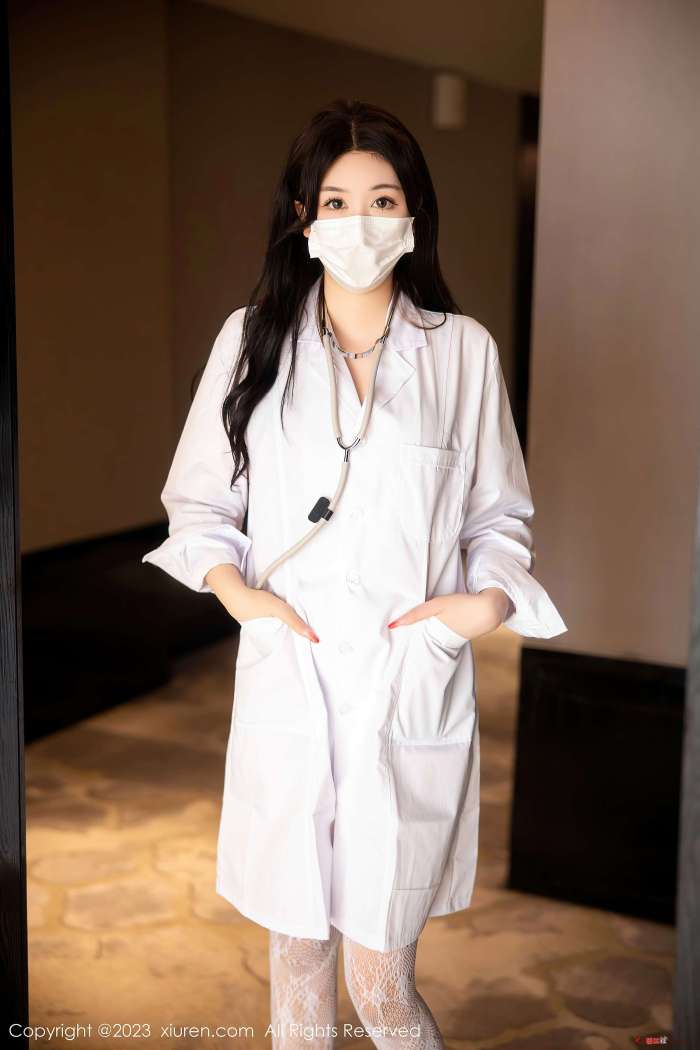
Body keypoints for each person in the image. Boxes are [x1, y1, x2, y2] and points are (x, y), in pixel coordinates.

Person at [142, 98, 567, 1049]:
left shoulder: (460, 352)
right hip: (290, 674)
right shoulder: (252, 340)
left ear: (412, 213)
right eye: (336, 201)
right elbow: (198, 504)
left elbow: (500, 516)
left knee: (380, 982)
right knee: (297, 960)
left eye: (382, 199)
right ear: (304, 216)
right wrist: (242, 597)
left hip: (404, 678)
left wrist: (480, 607)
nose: (360, 221)